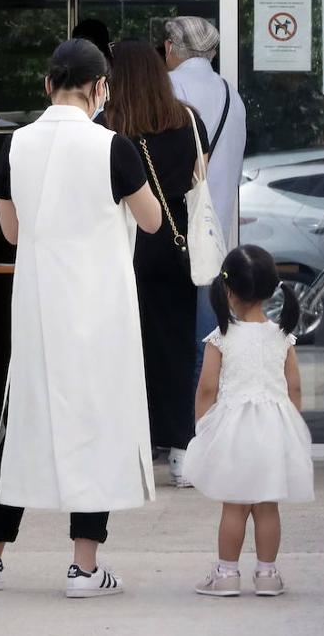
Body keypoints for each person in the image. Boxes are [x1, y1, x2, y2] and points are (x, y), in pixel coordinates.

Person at [0, 39, 163, 597]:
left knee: (20, 424)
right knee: (93, 423)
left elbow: (14, 232)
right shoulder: (114, 146)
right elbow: (151, 221)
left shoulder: (16, 145)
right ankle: (85, 567)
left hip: (40, 307)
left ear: (47, 85)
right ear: (100, 89)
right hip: (100, 310)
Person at [106, 39, 210, 489]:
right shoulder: (188, 119)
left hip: (120, 243)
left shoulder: (109, 126)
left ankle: (128, 446)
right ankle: (181, 449)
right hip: (175, 242)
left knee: (118, 349)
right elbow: (197, 176)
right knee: (173, 348)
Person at [184, 245, 314, 597]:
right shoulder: (282, 336)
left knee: (235, 505)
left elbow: (207, 387)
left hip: (234, 432)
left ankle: (227, 574)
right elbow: (295, 385)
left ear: (227, 290)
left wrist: (203, 426)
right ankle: (267, 574)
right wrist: (291, 423)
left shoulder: (221, 337)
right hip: (273, 429)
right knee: (267, 505)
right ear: (272, 289)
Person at [163, 16, 249, 390]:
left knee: (170, 338)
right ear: (212, 52)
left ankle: (180, 433)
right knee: (208, 339)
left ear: (170, 48)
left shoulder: (166, 89)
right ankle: (203, 428)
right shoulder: (232, 96)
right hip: (213, 234)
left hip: (171, 231)